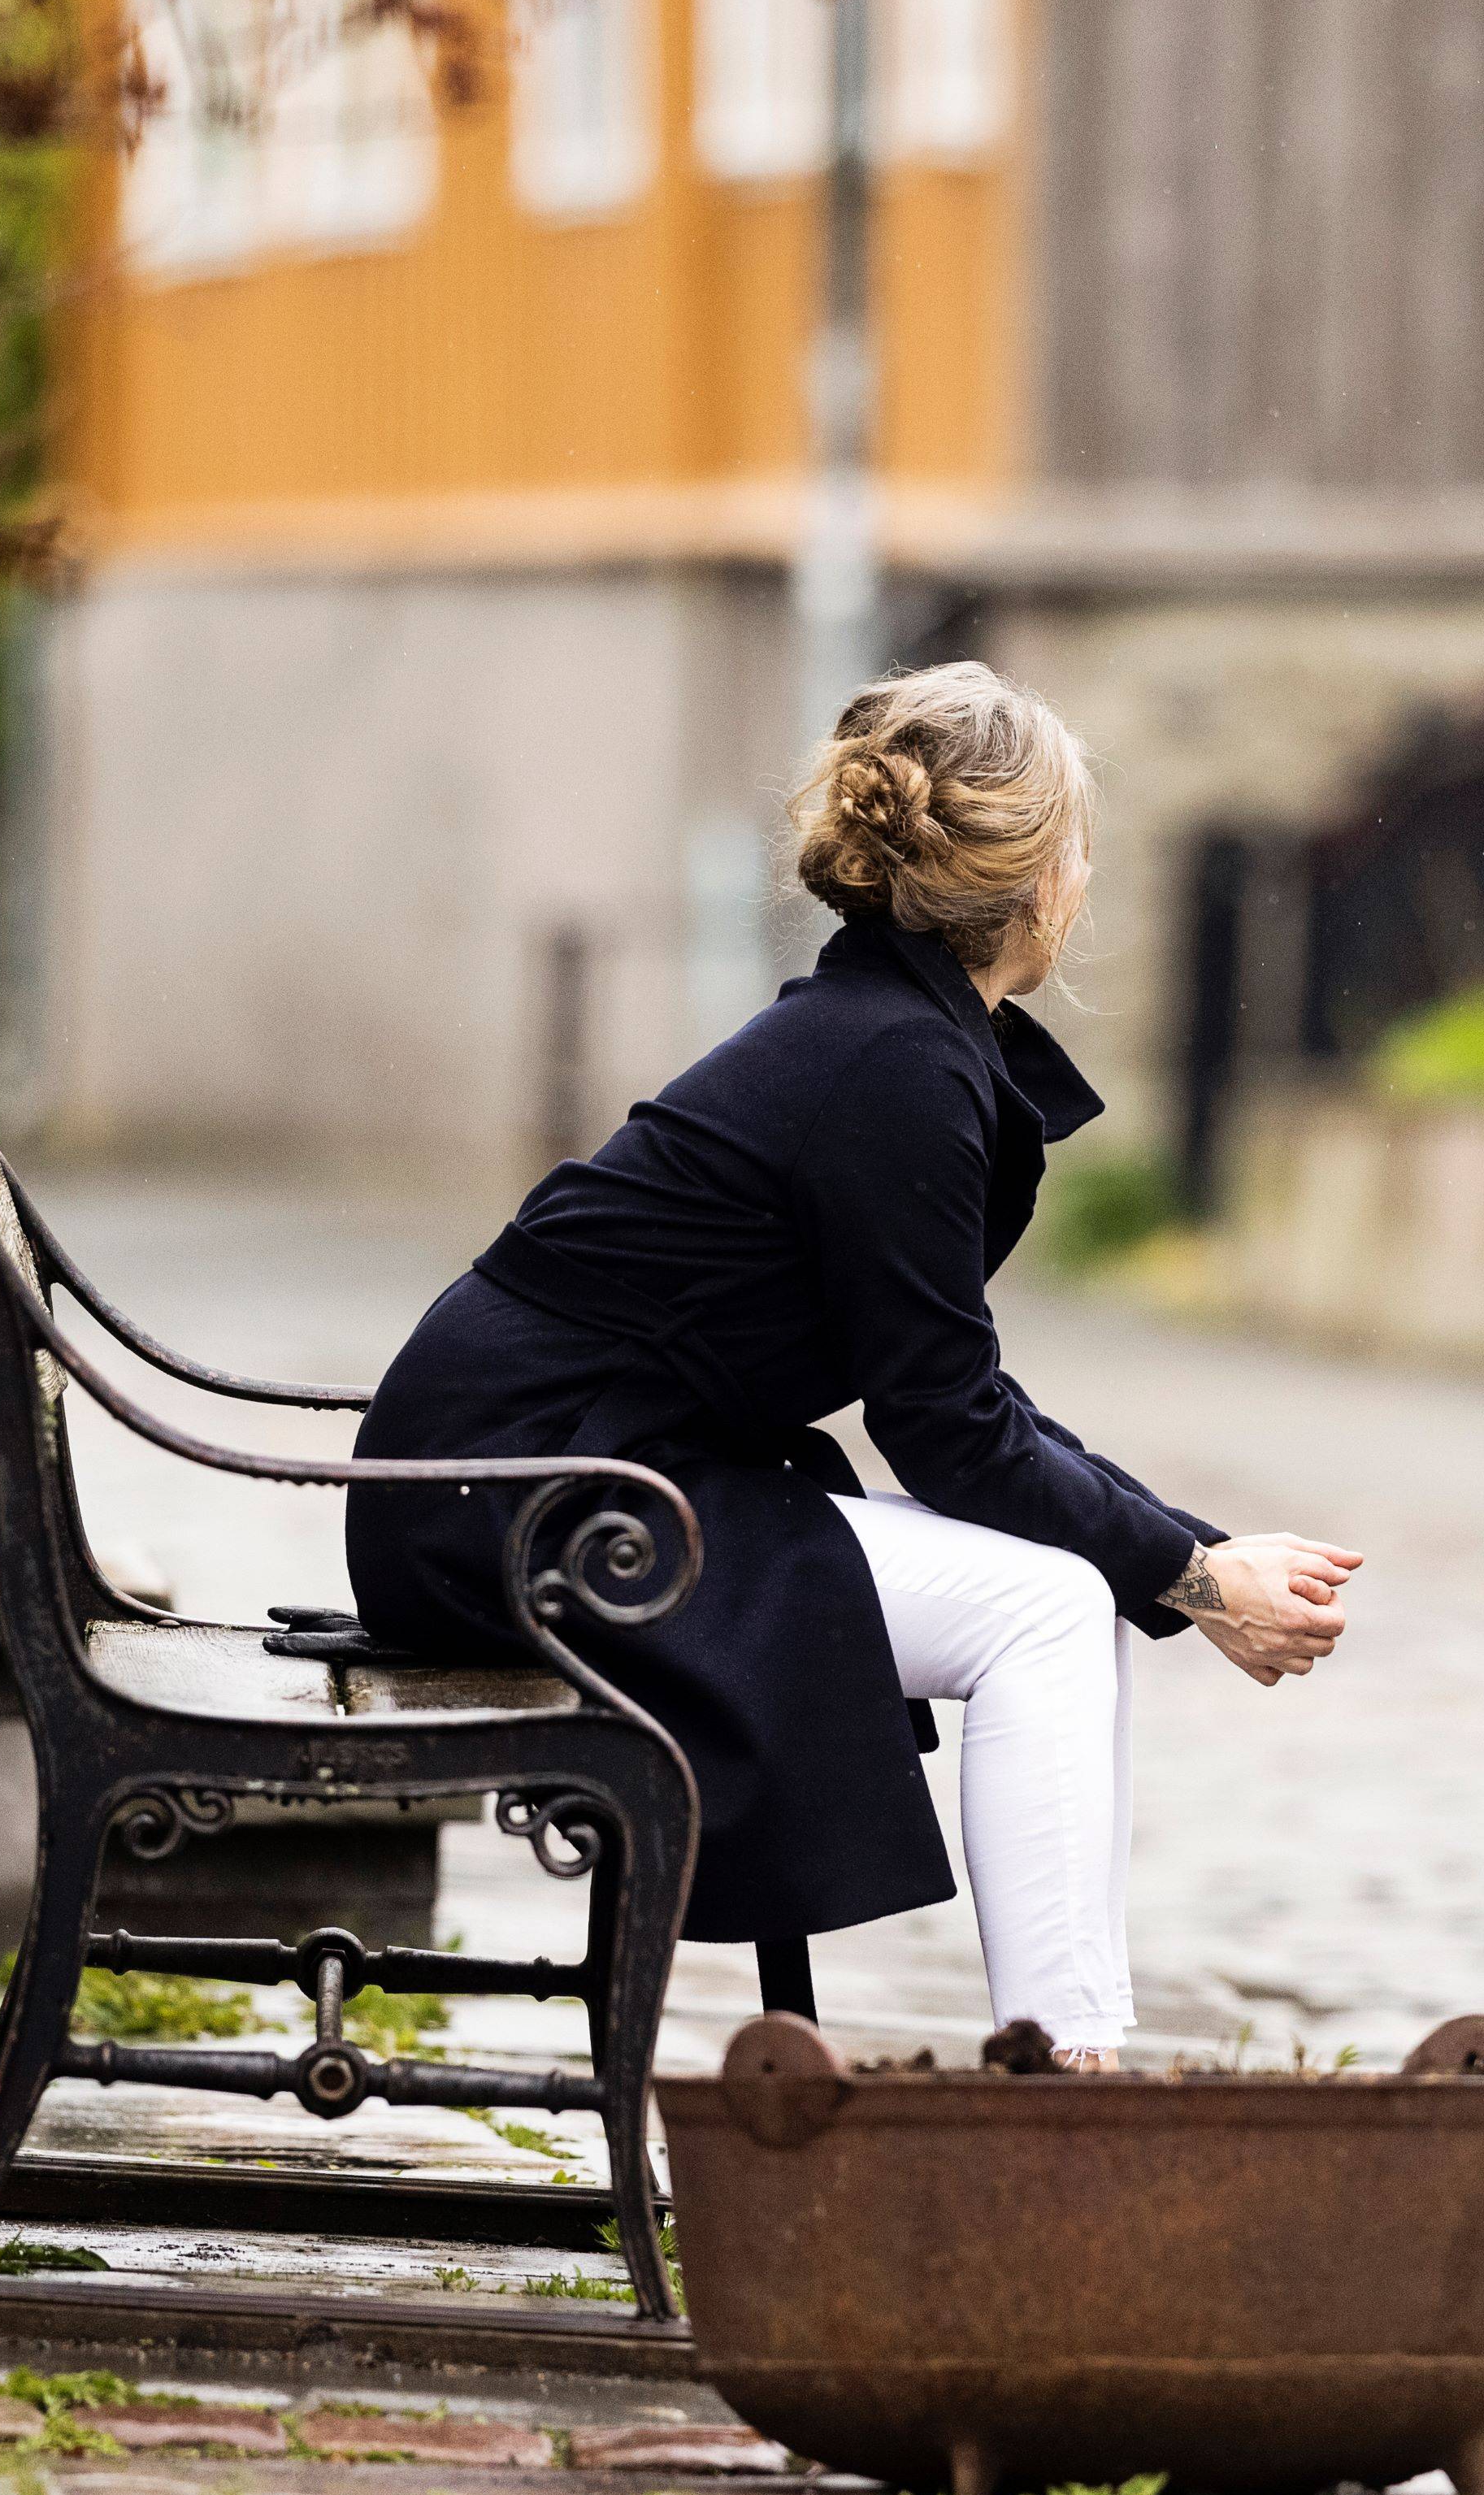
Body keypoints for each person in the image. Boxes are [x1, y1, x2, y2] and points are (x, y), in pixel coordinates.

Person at [345, 662, 1360, 2067]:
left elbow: (956, 1396)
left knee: (1059, 1596)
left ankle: (1066, 2058)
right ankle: (1064, 2074)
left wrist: (1198, 1559)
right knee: (1048, 1611)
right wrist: (1191, 1579)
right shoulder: (894, 1068)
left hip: (550, 1483)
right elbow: (949, 1427)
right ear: (1047, 881)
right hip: (526, 1509)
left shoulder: (887, 1044)